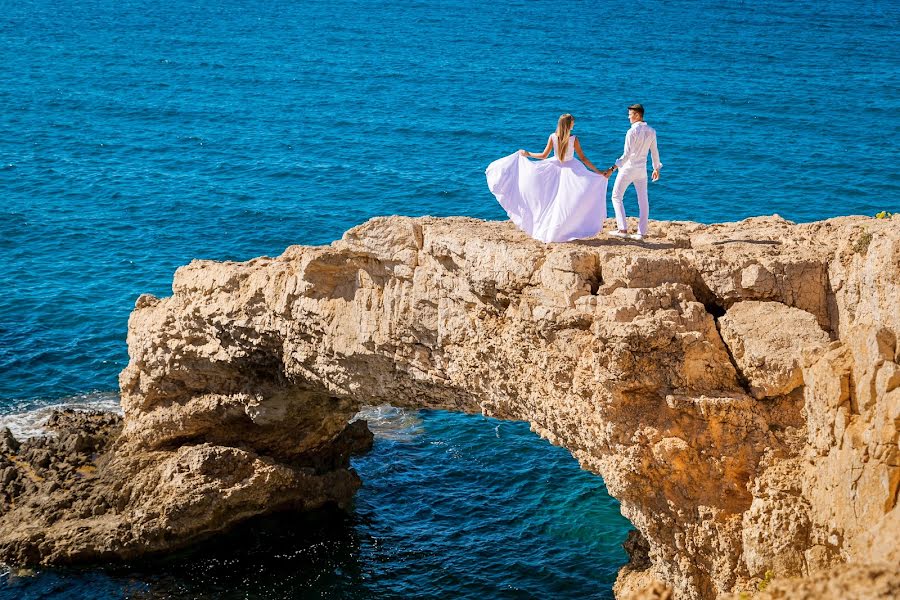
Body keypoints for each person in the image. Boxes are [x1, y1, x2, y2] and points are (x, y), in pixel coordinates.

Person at [485, 113, 609, 243]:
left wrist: (528, 154)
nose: (574, 124)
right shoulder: (574, 139)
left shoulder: (553, 137)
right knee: (568, 202)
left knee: (551, 202)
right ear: (568, 124)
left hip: (554, 168)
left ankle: (552, 231)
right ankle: (564, 230)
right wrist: (598, 172)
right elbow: (583, 158)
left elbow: (543, 155)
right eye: (572, 122)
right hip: (572, 170)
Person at [604, 104, 662, 241]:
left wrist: (612, 168)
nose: (628, 117)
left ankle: (622, 229)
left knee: (616, 196)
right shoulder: (652, 131)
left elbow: (626, 155)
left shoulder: (631, 132)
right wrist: (656, 168)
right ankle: (641, 233)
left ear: (637, 115)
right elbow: (654, 151)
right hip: (642, 170)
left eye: (630, 114)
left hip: (628, 169)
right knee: (643, 201)